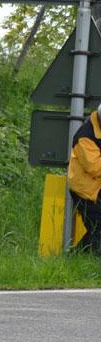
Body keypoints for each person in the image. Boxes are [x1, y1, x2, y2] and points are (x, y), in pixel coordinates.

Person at [68, 102, 101, 253]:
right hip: (87, 192)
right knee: (98, 230)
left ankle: (77, 257)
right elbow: (96, 168)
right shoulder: (85, 136)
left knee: (97, 231)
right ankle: (77, 258)